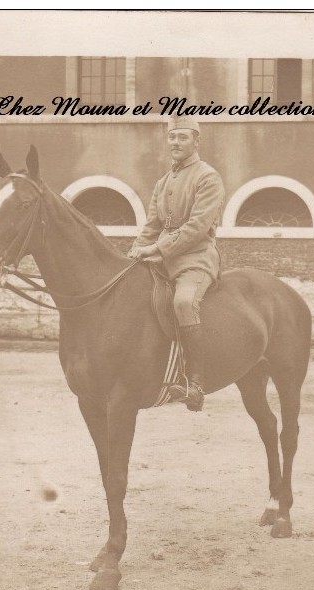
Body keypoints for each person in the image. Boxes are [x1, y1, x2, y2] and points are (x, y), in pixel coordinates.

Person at [128, 117, 225, 411]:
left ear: (197, 141)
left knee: (184, 302)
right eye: (172, 138)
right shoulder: (163, 181)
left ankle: (194, 384)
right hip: (162, 258)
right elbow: (152, 224)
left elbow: (197, 227)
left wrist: (157, 248)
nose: (176, 143)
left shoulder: (208, 177)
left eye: (183, 138)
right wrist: (135, 251)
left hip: (195, 258)